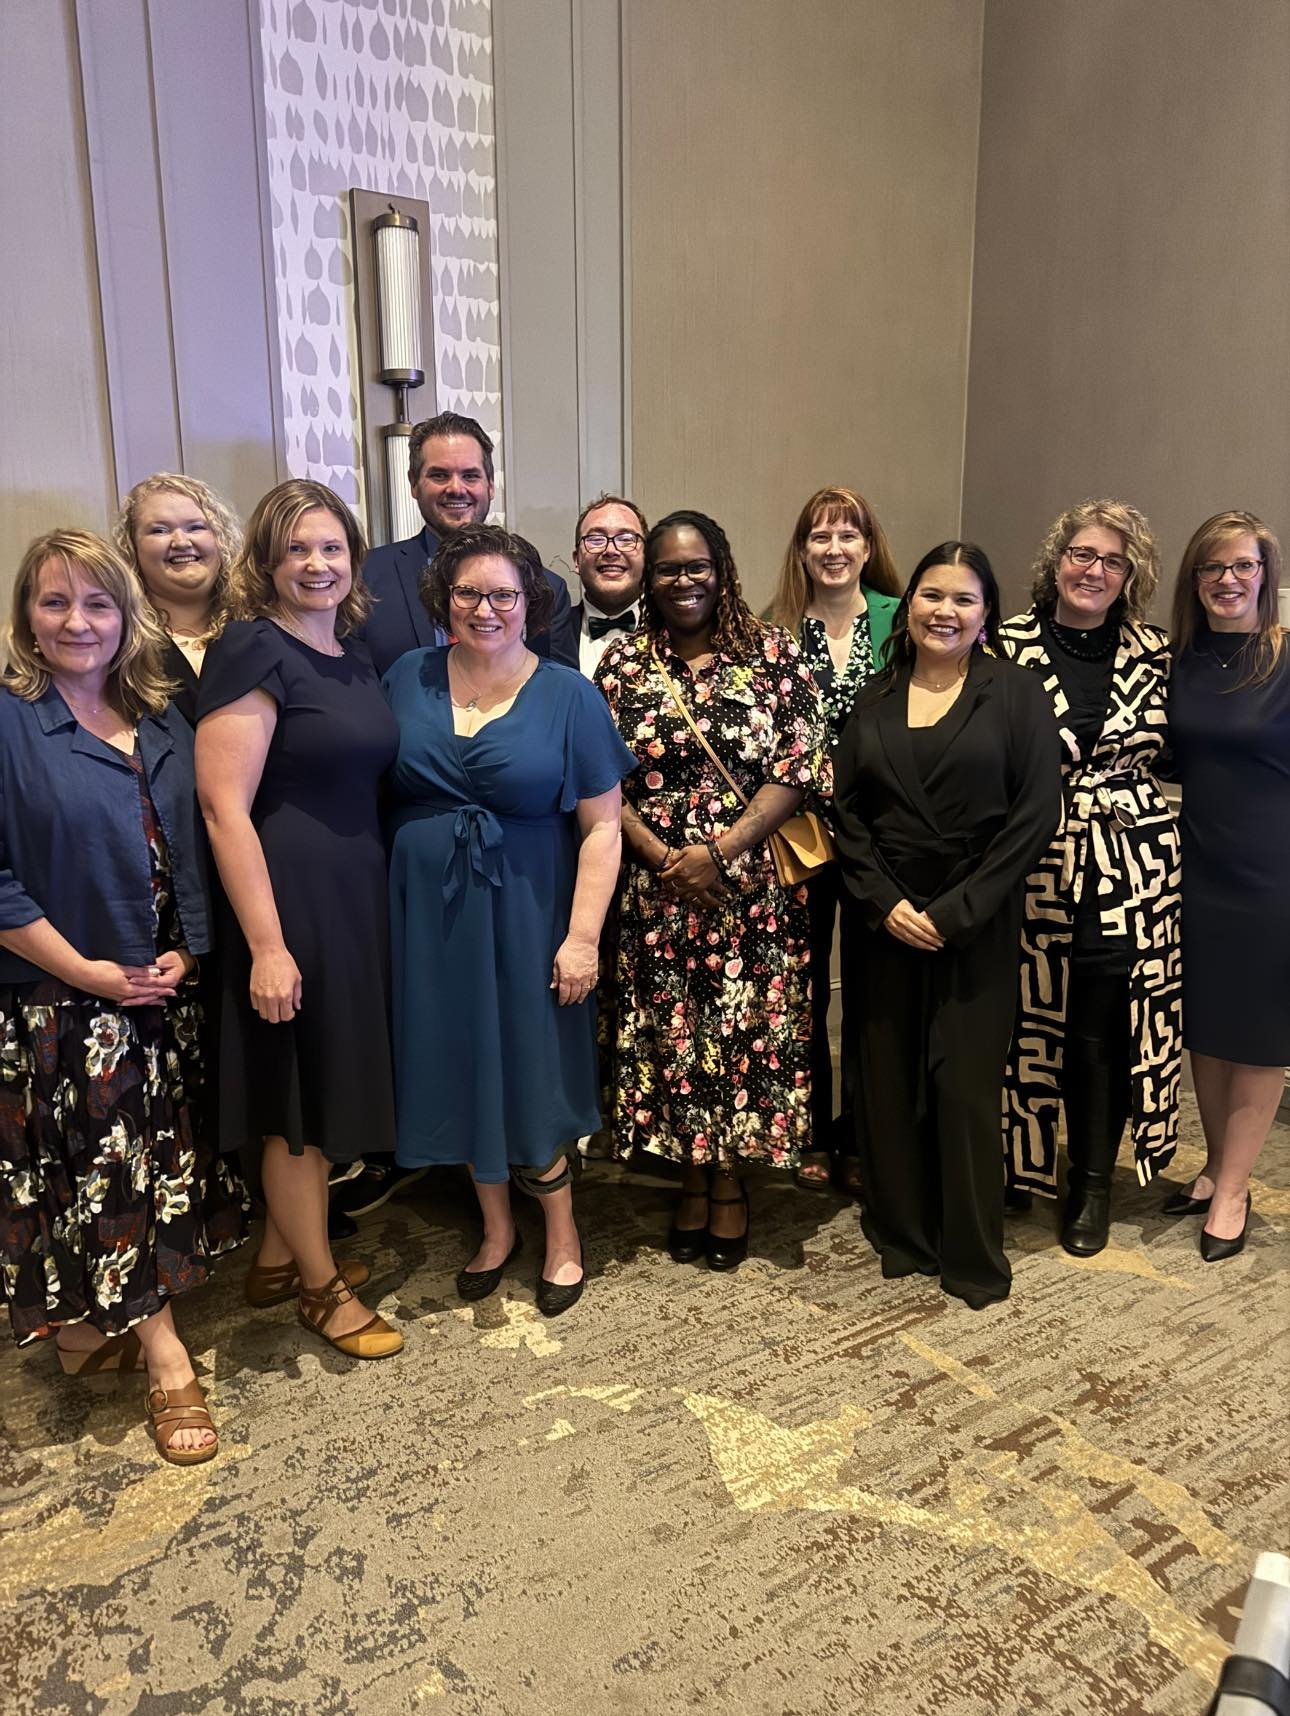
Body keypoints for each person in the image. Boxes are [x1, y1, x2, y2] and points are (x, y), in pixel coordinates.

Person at [0, 530, 246, 1464]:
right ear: (27, 613)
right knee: (106, 1177)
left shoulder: (158, 717)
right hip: (65, 998)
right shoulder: (11, 720)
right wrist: (86, 971)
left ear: (126, 612)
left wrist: (191, 947)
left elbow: (196, 840)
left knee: (151, 1168)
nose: (78, 622)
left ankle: (82, 1328)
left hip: (161, 991)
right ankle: (166, 1355)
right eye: (55, 602)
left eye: (97, 603)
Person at [383, 524, 635, 1315]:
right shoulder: (405, 677)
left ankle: (561, 1231)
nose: (484, 608)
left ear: (530, 602)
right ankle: (494, 1228)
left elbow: (602, 827)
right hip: (428, 915)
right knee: (453, 1059)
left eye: (503, 594)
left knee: (534, 1064)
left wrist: (582, 937)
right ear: (443, 600)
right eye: (468, 593)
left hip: (531, 910)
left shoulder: (569, 695)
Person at [195, 480, 403, 1358]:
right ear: (267, 564)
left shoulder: (350, 654)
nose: (317, 565)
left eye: (331, 548)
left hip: (354, 893)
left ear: (353, 557)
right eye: (296, 551)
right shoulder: (252, 648)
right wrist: (268, 944)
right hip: (288, 900)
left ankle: (281, 1256)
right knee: (292, 1097)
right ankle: (319, 1290)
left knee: (318, 1081)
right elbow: (222, 808)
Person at [595, 510, 830, 1270]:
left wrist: (720, 852)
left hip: (750, 889)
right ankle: (691, 1174)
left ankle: (730, 1182)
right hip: (658, 888)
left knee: (741, 1037)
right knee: (676, 1037)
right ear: (648, 579)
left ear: (722, 569)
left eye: (698, 566)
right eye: (667, 569)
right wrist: (667, 855)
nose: (683, 580)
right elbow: (598, 779)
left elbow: (797, 767)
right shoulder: (625, 665)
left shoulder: (773, 656)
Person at [833, 543, 1061, 1309]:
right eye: (932, 595)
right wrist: (883, 902)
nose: (944, 611)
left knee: (963, 1088)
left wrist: (957, 910)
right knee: (888, 1079)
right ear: (910, 605)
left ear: (986, 613)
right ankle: (904, 1234)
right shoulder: (873, 695)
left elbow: (1035, 815)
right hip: (885, 919)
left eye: (964, 599)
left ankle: (970, 1248)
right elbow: (847, 815)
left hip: (975, 917)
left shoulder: (1018, 692)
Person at [999, 500, 1180, 1255]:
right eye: (1081, 553)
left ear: (1129, 573)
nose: (1093, 570)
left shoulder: (1158, 650)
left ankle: (1092, 1183)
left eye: (1111, 559)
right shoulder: (1003, 642)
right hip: (1028, 857)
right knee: (1019, 1021)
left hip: (1128, 867)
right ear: (1056, 561)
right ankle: (1017, 1161)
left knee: (1099, 1029)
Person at [768, 486, 903, 1196]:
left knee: (875, 992)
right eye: (819, 536)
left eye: (848, 534)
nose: (834, 548)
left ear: (868, 546)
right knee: (806, 986)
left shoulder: (902, 620)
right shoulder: (774, 628)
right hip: (802, 836)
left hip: (884, 836)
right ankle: (815, 1129)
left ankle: (863, 1132)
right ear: (802, 549)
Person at [1164, 512, 1288, 1261]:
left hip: (1275, 869)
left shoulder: (1283, 658)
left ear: (1265, 576)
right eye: (1212, 567)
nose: (1228, 581)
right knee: (1206, 1024)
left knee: (1261, 1032)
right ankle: (1214, 1166)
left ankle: (1237, 1188)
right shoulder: (1182, 659)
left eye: (1243, 566)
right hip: (1199, 860)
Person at [360, 411, 578, 677]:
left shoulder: (547, 589)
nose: (455, 488)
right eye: (439, 475)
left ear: (490, 485)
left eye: (470, 475)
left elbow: (560, 693)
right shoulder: (365, 577)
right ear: (414, 484)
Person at [112, 473, 242, 725]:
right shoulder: (116, 642)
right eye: (159, 530)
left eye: (196, 527)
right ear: (132, 547)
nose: (181, 542)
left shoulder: (257, 627)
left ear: (221, 538)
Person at [570, 494, 648, 678]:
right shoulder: (547, 636)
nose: (611, 551)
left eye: (626, 539)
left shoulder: (679, 634)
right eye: (595, 539)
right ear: (576, 560)